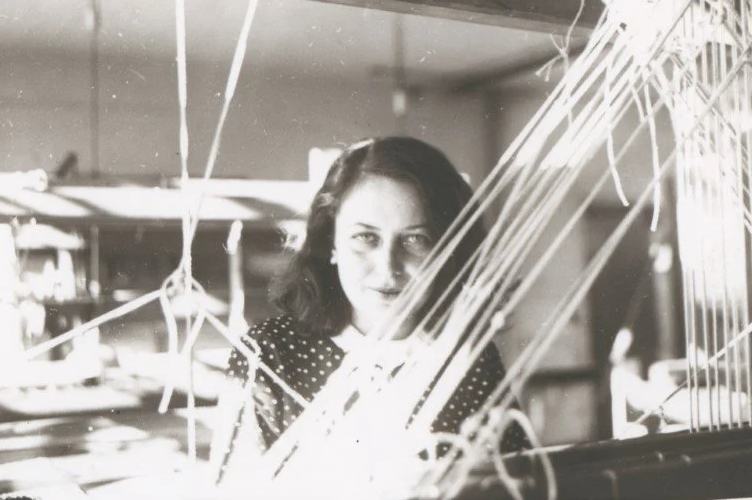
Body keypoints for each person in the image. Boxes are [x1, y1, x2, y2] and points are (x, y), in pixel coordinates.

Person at [210, 136, 527, 483]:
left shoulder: (469, 356)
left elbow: (517, 484)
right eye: (366, 238)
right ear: (331, 241)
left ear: (445, 250)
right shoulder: (269, 353)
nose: (388, 266)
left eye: (415, 239)